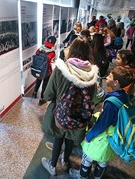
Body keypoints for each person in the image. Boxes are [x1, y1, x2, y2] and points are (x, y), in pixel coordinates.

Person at [41, 38, 98, 176]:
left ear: (71, 51)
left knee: (58, 136)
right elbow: (94, 99)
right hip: (79, 117)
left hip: (60, 114)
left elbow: (48, 94)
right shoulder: (92, 75)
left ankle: (52, 165)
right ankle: (65, 161)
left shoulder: (61, 69)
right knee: (70, 138)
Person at [69, 66, 134, 179]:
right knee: (103, 158)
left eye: (110, 76)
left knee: (87, 155)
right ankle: (98, 176)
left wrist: (89, 136)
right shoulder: (124, 95)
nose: (107, 77)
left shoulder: (111, 104)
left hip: (102, 135)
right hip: (113, 134)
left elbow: (102, 124)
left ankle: (82, 176)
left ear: (116, 82)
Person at [32, 36, 57, 105]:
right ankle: (42, 97)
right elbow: (53, 62)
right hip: (47, 71)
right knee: (45, 84)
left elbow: (36, 55)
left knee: (38, 81)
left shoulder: (40, 49)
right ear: (54, 44)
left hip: (39, 69)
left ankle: (34, 93)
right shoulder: (52, 53)